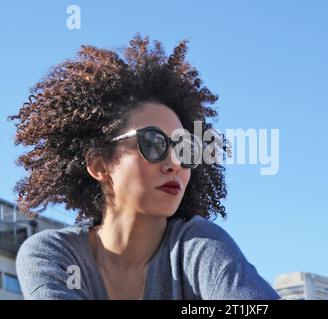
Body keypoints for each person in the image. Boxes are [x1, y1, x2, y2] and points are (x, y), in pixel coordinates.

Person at [9, 34, 280, 300]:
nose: (174, 163)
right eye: (153, 143)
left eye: (185, 148)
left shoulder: (200, 246)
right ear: (99, 164)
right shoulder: (53, 255)